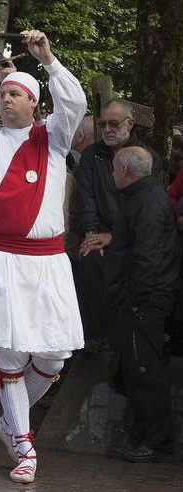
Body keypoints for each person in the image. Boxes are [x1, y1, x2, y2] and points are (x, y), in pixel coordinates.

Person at [0, 27, 87, 484]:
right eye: (3, 93)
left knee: (52, 358)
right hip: (2, 260)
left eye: (16, 95)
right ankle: (23, 442)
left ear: (33, 103)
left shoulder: (54, 139)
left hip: (48, 262)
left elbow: (76, 105)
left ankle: (9, 420)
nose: (7, 100)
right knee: (8, 356)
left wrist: (47, 59)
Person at [100, 146, 178, 463]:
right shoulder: (146, 198)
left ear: (124, 172)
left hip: (145, 300)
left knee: (145, 371)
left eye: (114, 169)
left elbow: (149, 256)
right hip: (142, 297)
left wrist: (137, 299)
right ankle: (146, 435)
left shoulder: (146, 203)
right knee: (137, 368)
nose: (112, 174)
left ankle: (155, 440)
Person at [73, 99, 162, 346]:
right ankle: (92, 337)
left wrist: (115, 237)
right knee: (89, 260)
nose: (108, 129)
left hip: (132, 237)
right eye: (103, 125)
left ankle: (126, 338)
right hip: (98, 232)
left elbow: (145, 208)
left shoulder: (147, 158)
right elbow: (86, 199)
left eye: (114, 123)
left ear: (129, 123)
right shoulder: (92, 155)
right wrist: (91, 235)